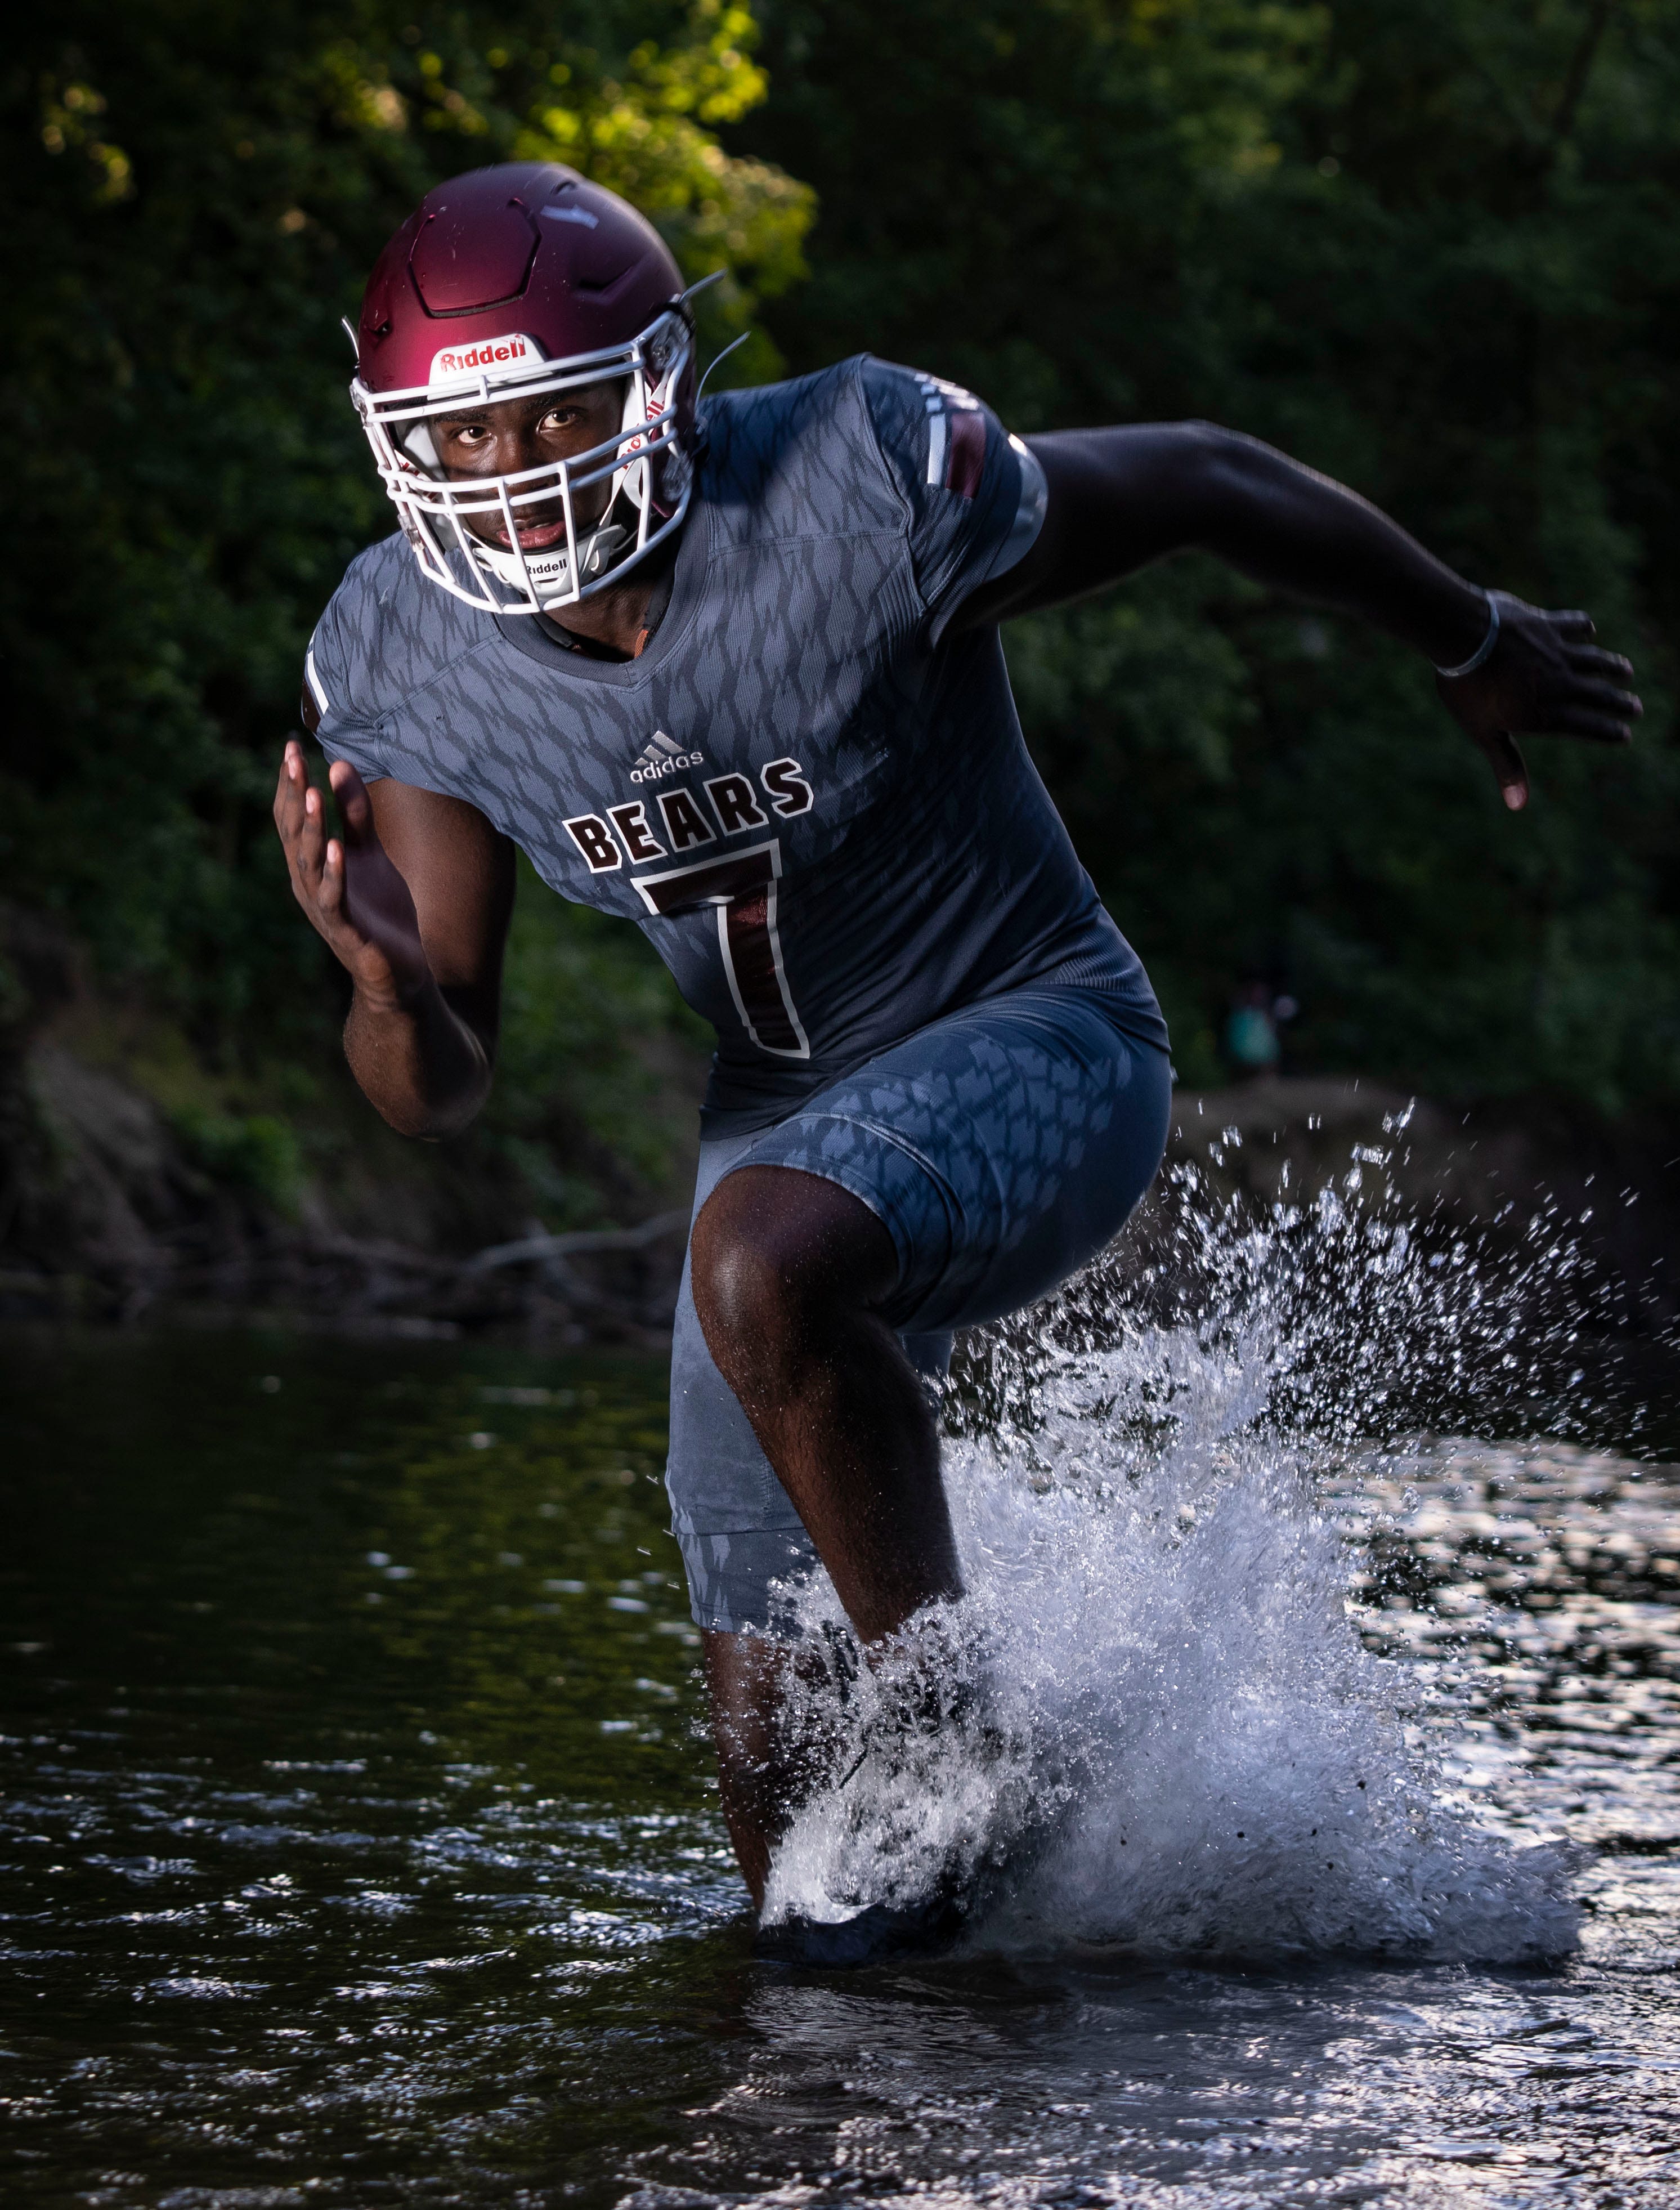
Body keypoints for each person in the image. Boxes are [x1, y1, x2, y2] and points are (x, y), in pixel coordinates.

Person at [274, 161, 1639, 1943]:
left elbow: (1206, 475)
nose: (507, 480)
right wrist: (385, 993)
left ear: (659, 390)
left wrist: (1464, 635)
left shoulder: (855, 483)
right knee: (789, 1858)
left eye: (544, 417)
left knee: (757, 1266)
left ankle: (954, 1711)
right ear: (394, 450)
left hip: (1034, 1028)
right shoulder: (404, 654)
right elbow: (437, 1097)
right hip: (774, 1115)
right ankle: (934, 2022)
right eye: (455, 444)